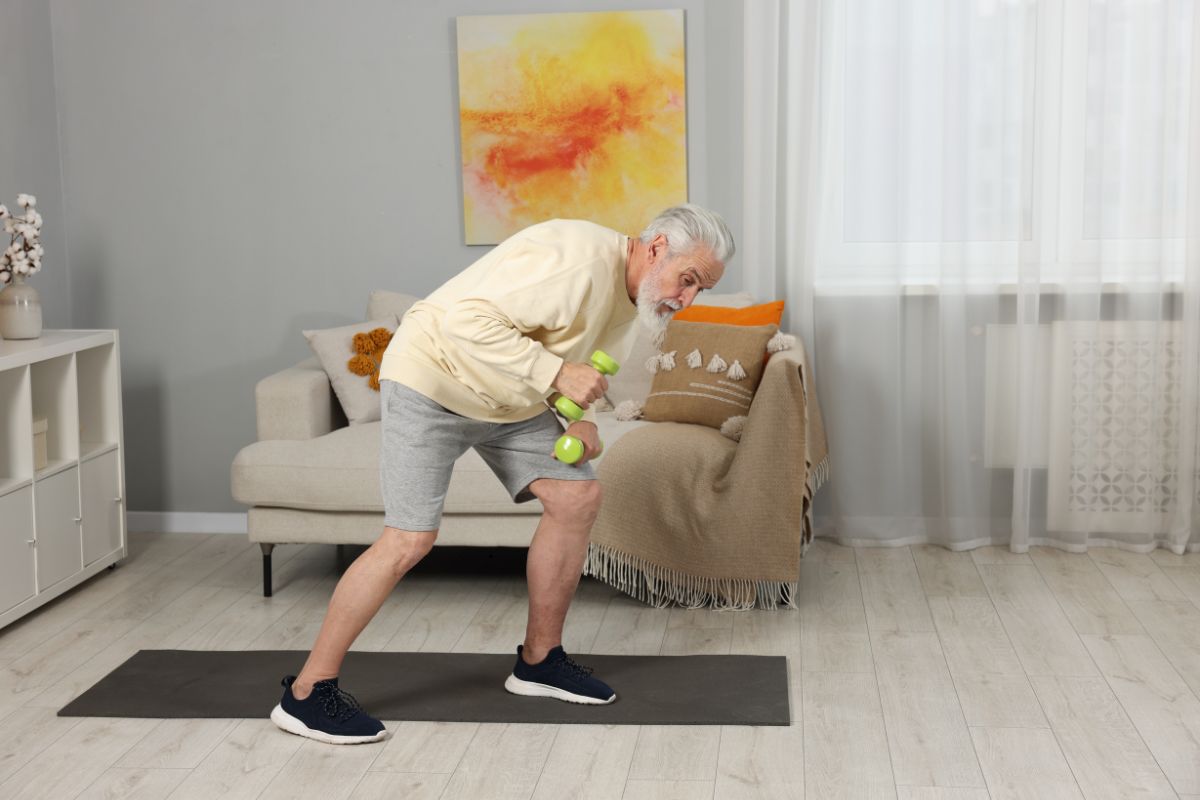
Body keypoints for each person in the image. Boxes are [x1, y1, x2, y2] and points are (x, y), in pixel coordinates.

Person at [269, 204, 734, 744]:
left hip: (509, 402)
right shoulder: (575, 260)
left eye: (701, 288)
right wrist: (558, 374)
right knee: (409, 539)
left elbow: (576, 380)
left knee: (576, 497)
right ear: (655, 249)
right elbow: (466, 322)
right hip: (433, 382)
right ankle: (306, 694)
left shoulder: (634, 303)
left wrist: (580, 422)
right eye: (689, 280)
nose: (687, 298)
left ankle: (539, 662)